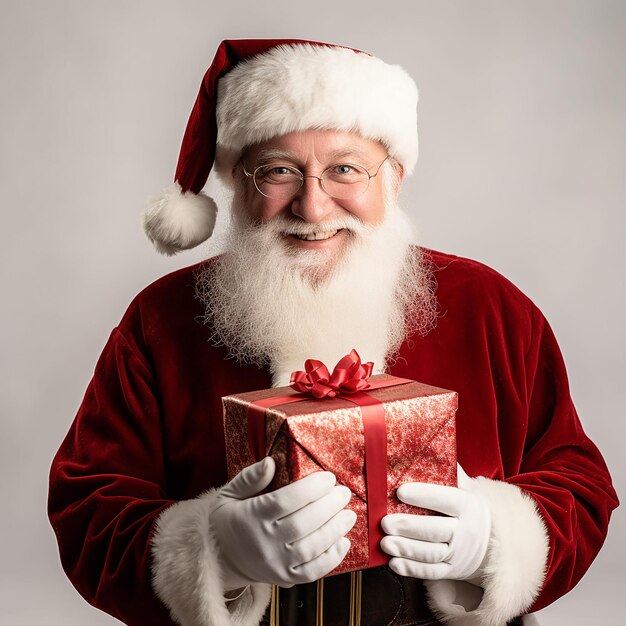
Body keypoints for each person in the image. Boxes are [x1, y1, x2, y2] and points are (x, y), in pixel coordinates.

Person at [48, 39, 617, 626]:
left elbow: (580, 484)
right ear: (239, 187)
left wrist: (499, 541)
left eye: (345, 169)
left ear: (393, 179)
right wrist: (210, 552)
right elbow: (85, 508)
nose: (313, 207)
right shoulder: (162, 320)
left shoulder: (491, 307)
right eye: (279, 171)